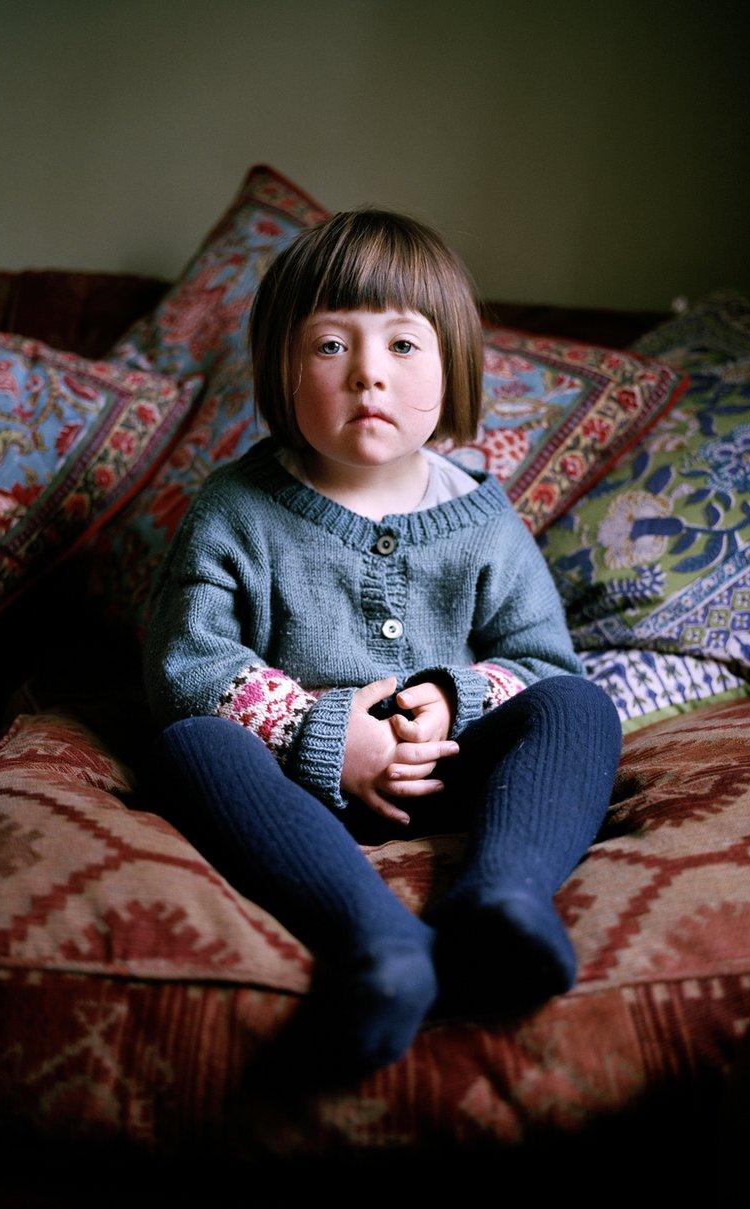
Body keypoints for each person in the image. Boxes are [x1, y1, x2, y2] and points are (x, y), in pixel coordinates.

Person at [144, 208, 622, 1084]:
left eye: (403, 346)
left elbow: (544, 660)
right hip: (294, 787)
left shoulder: (482, 514)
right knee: (189, 743)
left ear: (454, 366)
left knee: (579, 705)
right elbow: (189, 665)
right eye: (330, 346)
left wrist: (455, 698)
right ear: (281, 368)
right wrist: (326, 733)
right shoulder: (233, 510)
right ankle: (380, 941)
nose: (367, 372)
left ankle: (505, 899)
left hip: (454, 765)